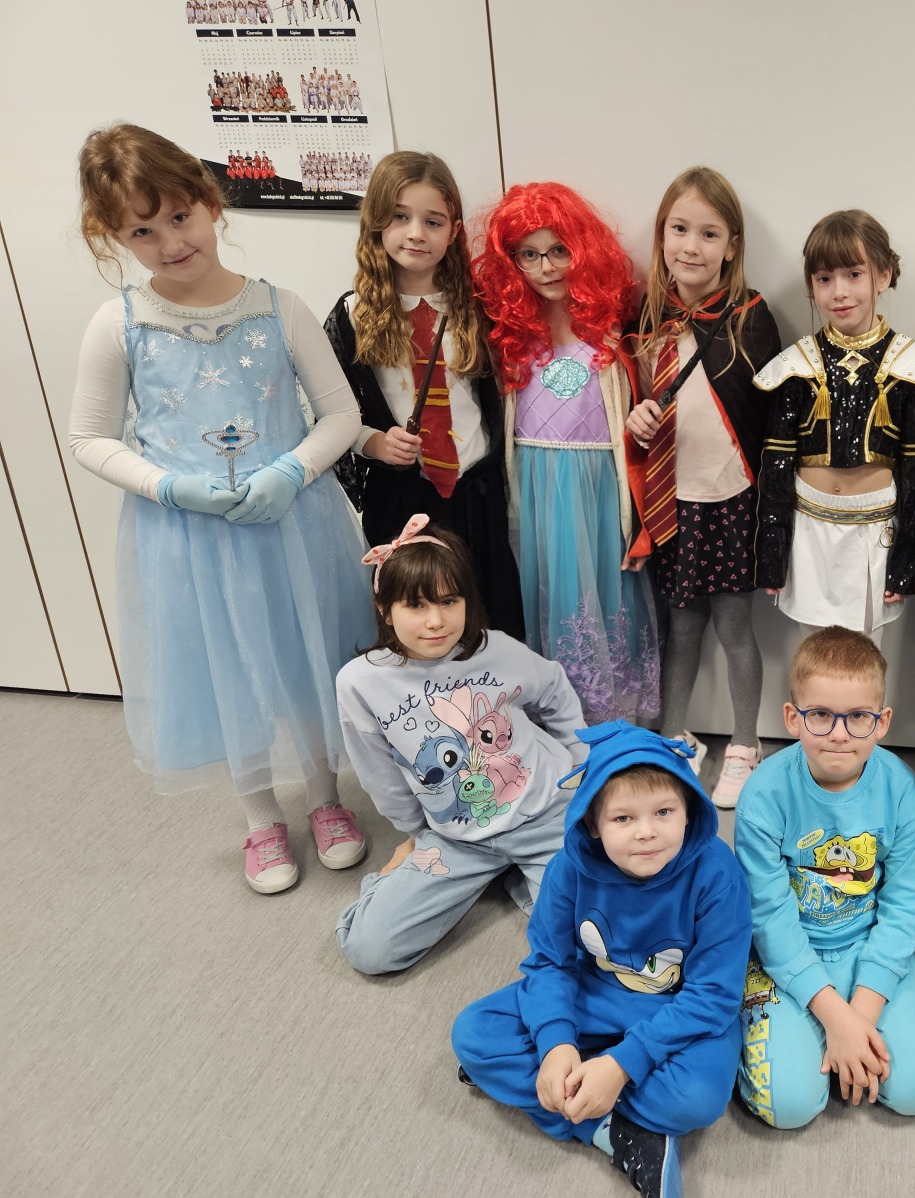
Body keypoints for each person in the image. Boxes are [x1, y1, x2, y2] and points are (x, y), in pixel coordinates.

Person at [69, 123, 373, 895]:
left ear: (210, 201)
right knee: (225, 669)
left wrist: (291, 470)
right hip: (187, 538)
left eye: (180, 217)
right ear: (114, 236)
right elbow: (89, 437)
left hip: (295, 524)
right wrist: (170, 486)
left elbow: (341, 415)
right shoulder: (119, 324)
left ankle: (326, 797)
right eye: (142, 231)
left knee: (307, 656)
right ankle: (259, 816)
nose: (171, 242)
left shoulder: (280, 308)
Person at [453, 722, 750, 1198]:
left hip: (678, 1009)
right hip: (595, 993)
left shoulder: (718, 874)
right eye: (623, 818)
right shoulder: (567, 870)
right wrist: (555, 1045)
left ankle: (574, 1087)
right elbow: (549, 964)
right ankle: (613, 1128)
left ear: (689, 811)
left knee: (699, 1098)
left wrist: (621, 1065)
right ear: (593, 824)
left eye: (664, 812)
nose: (646, 832)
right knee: (474, 1033)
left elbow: (714, 996)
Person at [333, 515, 583, 974]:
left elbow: (553, 688)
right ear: (385, 609)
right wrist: (415, 834)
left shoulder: (496, 648)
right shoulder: (360, 683)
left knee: (590, 941)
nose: (436, 621)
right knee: (369, 952)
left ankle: (523, 875)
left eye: (449, 600)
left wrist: (581, 763)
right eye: (415, 605)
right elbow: (379, 774)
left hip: (547, 815)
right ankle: (508, 874)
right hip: (456, 839)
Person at [734, 626, 915, 1127]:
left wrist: (861, 1017)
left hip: (870, 947)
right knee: (789, 1107)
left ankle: (844, 1040)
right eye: (820, 715)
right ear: (792, 717)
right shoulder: (762, 796)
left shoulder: (901, 789)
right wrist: (835, 1016)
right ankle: (799, 1037)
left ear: (882, 722)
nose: (839, 733)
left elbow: (904, 906)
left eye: (858, 717)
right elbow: (769, 917)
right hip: (786, 956)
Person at [623, 167, 782, 807]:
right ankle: (672, 737)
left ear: (731, 246)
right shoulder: (643, 313)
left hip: (732, 498)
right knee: (681, 627)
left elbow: (771, 420)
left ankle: (744, 744)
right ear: (661, 235)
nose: (691, 246)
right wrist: (636, 418)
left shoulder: (750, 316)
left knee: (734, 628)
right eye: (679, 229)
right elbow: (629, 398)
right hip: (671, 498)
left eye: (709, 234)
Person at [476, 182, 659, 724]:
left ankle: (610, 714)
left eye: (559, 250)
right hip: (536, 483)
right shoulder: (507, 334)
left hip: (599, 483)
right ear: (511, 264)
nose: (547, 266)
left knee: (605, 592)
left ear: (583, 249)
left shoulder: (614, 328)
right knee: (545, 590)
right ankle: (553, 714)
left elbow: (642, 399)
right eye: (529, 255)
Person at [323, 150, 523, 638]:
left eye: (432, 221)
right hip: (401, 497)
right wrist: (373, 441)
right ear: (375, 222)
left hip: (475, 495)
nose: (416, 233)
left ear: (453, 231)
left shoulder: (479, 307)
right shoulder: (352, 315)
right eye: (400, 217)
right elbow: (331, 411)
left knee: (483, 616)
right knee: (415, 623)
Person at [753, 210, 915, 638]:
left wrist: (906, 563)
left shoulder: (911, 366)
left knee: (865, 656)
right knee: (812, 655)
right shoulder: (795, 366)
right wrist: (772, 554)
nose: (839, 292)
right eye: (824, 278)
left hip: (874, 534)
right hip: (809, 532)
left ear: (883, 276)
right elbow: (776, 467)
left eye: (853, 274)